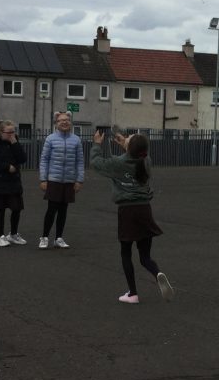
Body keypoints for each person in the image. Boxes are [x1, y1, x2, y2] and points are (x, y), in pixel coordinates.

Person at [91, 128, 173, 304]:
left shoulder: (118, 163)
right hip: (144, 210)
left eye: (129, 137)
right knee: (145, 257)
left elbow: (97, 163)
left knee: (126, 253)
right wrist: (126, 145)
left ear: (130, 147)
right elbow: (134, 156)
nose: (126, 137)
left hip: (127, 211)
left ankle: (133, 294)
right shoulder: (146, 161)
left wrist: (97, 145)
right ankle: (157, 272)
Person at [38, 111, 84, 249]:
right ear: (56, 124)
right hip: (54, 179)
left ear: (70, 122)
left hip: (69, 180)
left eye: (67, 120)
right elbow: (44, 160)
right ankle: (44, 237)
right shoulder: (50, 139)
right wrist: (43, 179)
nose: (64, 122)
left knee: (63, 210)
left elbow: (80, 161)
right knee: (51, 209)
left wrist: (79, 180)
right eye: (61, 120)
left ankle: (58, 238)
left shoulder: (76, 140)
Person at [0, 120, 28, 246]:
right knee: (1, 209)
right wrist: (6, 167)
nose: (11, 134)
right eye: (8, 132)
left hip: (14, 182)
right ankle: (1, 236)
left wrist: (15, 143)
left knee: (16, 208)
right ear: (1, 132)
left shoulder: (15, 143)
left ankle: (13, 234)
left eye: (13, 132)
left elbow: (22, 159)